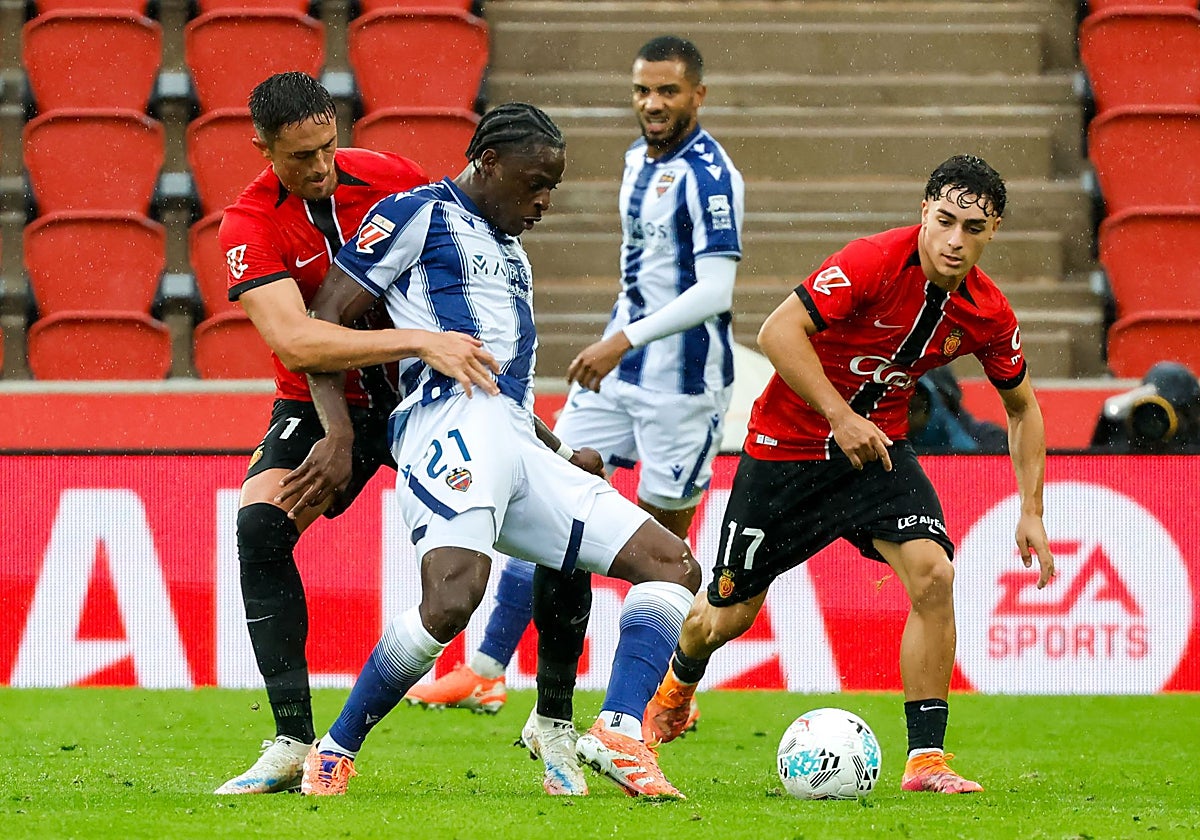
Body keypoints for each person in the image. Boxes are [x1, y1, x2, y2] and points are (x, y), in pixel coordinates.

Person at [286, 103, 701, 800]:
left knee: (674, 565)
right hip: (443, 424)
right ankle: (336, 747)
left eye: (553, 188)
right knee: (452, 600)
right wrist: (339, 429)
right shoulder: (415, 213)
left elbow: (509, 393)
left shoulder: (514, 256)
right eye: (536, 183)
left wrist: (562, 448)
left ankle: (620, 731)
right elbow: (325, 321)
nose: (543, 202)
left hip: (514, 435)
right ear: (487, 164)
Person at [642, 155, 1056, 794]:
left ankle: (925, 762)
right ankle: (677, 680)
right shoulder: (872, 262)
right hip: (785, 450)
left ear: (993, 229)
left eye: (972, 227)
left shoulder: (989, 312)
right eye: (944, 220)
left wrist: (1030, 508)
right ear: (924, 212)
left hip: (874, 455)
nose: (954, 240)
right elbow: (778, 330)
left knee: (934, 574)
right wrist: (837, 414)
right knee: (725, 618)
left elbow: (1023, 407)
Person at [402, 34, 743, 795]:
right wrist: (616, 339)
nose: (653, 104)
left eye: (668, 92)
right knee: (547, 496)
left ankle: (643, 707)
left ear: (698, 96)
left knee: (658, 553)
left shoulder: (713, 177)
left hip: (682, 393)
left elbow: (716, 290)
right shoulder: (635, 162)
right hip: (613, 377)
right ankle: (490, 671)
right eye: (642, 91)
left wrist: (621, 337)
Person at [214, 71, 499, 796]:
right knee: (258, 529)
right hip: (319, 402)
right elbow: (300, 343)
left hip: (426, 395)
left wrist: (439, 347)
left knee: (546, 502)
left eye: (327, 147)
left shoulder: (389, 177)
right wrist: (341, 428)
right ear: (262, 148)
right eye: (299, 156)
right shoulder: (247, 224)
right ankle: (289, 741)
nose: (318, 168)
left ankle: (556, 717)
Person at [1090, 360, 1200, 452]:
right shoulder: (1127, 430)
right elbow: (1099, 458)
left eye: (1163, 414)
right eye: (1149, 410)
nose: (1154, 421)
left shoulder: (1193, 441)